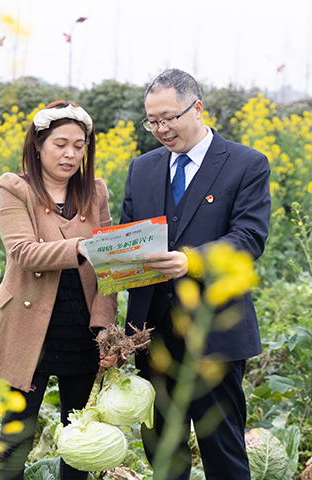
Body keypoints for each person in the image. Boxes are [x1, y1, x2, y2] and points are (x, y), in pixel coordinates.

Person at [120, 69, 271, 480]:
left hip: (215, 332)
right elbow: (128, 238)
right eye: (152, 121)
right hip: (153, 334)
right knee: (163, 451)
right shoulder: (142, 168)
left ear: (198, 108)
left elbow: (249, 238)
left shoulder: (246, 164)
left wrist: (192, 262)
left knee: (223, 450)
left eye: (169, 118)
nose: (161, 130)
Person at [0, 101, 118, 480]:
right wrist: (83, 248)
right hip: (31, 326)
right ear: (38, 144)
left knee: (79, 433)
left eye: (79, 144)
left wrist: (104, 326)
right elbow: (23, 252)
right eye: (60, 143)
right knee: (17, 428)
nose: (70, 153)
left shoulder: (95, 192)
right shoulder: (15, 188)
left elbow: (109, 268)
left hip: (80, 328)